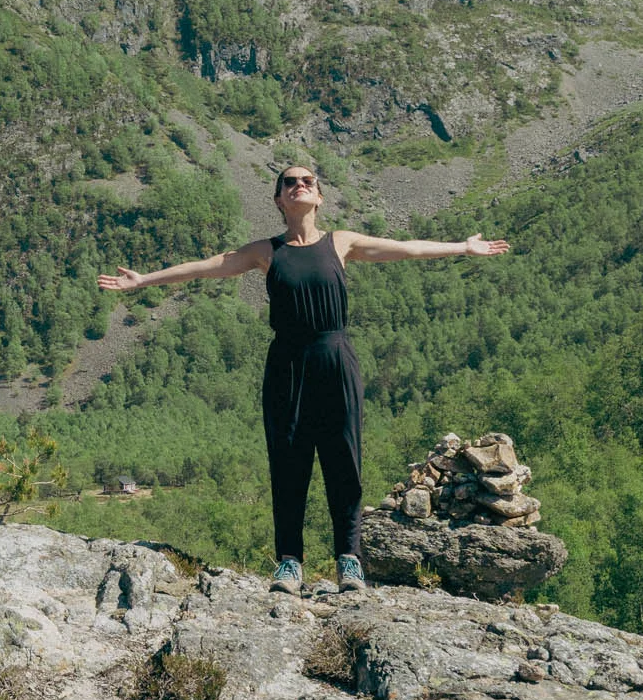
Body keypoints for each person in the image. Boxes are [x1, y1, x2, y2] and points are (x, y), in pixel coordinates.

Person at [98, 165, 510, 594]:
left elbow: (405, 248)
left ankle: (349, 560)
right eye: (290, 182)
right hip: (286, 364)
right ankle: (289, 562)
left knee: (344, 460)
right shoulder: (267, 251)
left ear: (319, 198)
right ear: (279, 200)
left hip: (335, 358)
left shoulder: (341, 242)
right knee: (289, 461)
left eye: (308, 181)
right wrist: (144, 280)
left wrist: (462, 247)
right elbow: (207, 267)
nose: (300, 185)